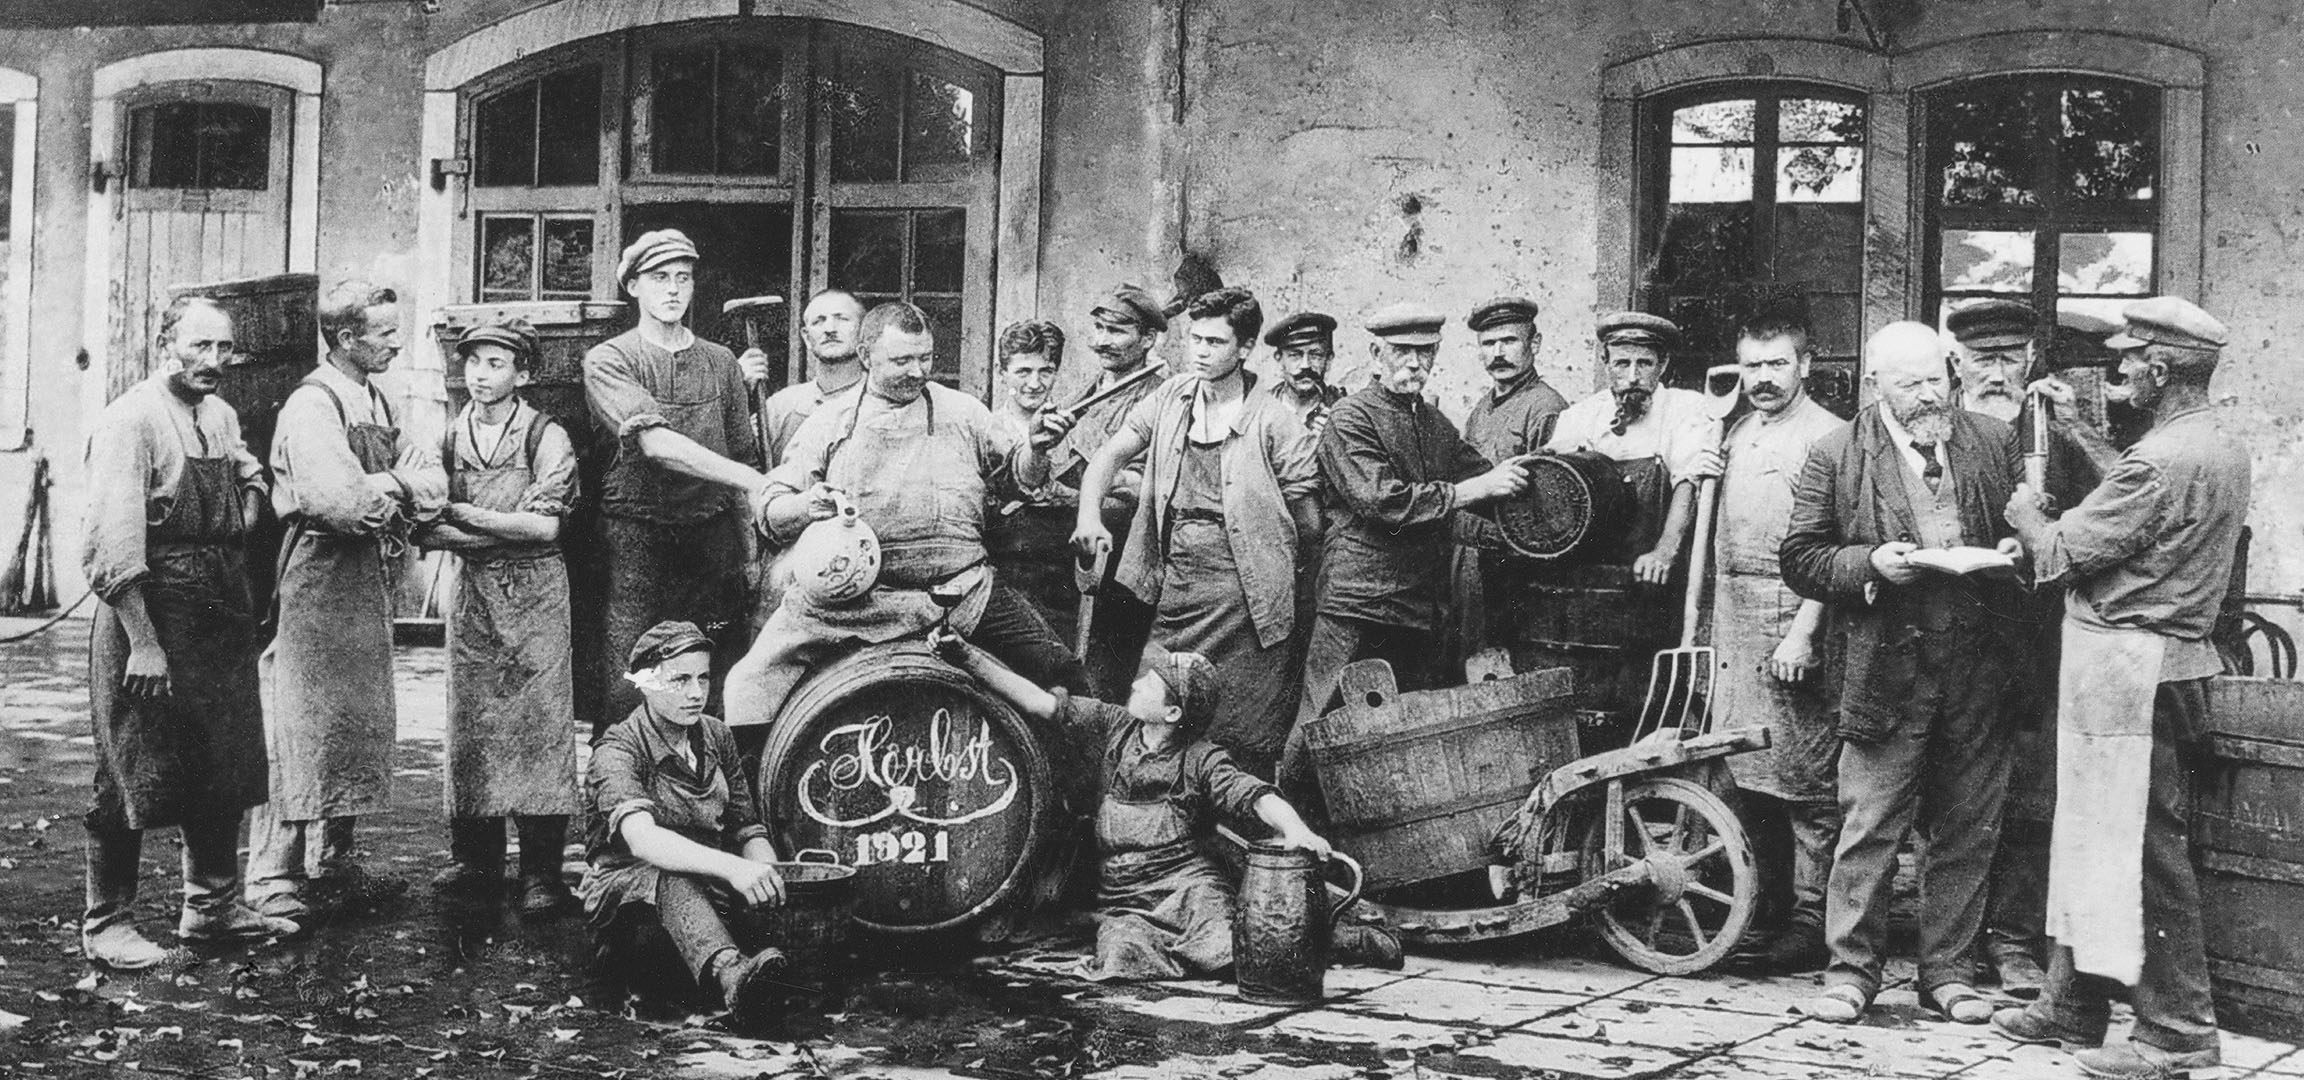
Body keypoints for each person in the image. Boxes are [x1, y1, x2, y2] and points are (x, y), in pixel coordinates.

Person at [1991, 296, 2249, 1080]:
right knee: (2092, 836)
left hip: (2131, 671)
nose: (2120, 368)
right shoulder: (2209, 441)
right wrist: (2075, 431)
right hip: (2152, 666)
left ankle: (2177, 1032)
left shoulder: (2162, 460)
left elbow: (2061, 554)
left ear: (2162, 368)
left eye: (2131, 358)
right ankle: (2072, 1004)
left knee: (2139, 852)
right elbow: (2139, 495)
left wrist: (2027, 515)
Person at [1780, 321, 2030, 1025]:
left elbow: (2022, 526)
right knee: (1871, 823)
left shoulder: (1990, 439)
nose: (1929, 396)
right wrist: (1868, 564)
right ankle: (1850, 973)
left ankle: (1947, 974)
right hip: (1884, 670)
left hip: (1979, 666)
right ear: (1874, 385)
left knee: (1967, 825)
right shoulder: (1834, 454)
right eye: (1910, 383)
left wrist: (2016, 546)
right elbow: (1800, 556)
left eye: (1937, 379)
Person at [938, 632, 1399, 979]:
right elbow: (1040, 703)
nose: (1136, 684)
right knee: (1122, 958)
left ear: (1174, 713)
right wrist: (969, 656)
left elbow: (1254, 794)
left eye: (1150, 683)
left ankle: (1342, 939)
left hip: (1187, 887)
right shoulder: (1115, 727)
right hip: (1125, 896)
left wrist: (1296, 830)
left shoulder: (1200, 759)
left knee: (1232, 948)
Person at [724, 301, 1089, 725]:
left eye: (925, 358)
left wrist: (1037, 449)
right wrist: (807, 506)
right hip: (851, 604)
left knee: (1066, 677)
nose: (917, 371)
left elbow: (1018, 480)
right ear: (866, 357)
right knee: (747, 687)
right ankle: (751, 788)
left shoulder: (964, 412)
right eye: (902, 360)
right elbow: (771, 510)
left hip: (962, 592)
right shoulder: (829, 422)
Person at [79, 297, 298, 966]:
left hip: (219, 606)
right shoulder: (131, 419)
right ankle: (107, 922)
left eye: (224, 349)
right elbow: (112, 542)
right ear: (164, 342)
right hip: (152, 610)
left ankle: (210, 908)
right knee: (132, 762)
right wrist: (143, 640)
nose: (213, 362)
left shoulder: (221, 413)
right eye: (199, 346)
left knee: (224, 759)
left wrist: (248, 509)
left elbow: (245, 468)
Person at [1277, 302, 1529, 816]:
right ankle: (1283, 834)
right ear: (1375, 354)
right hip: (1358, 601)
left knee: (1402, 736)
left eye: (1425, 352)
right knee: (1319, 723)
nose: (1414, 364)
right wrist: (1473, 489)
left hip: (1417, 608)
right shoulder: (1350, 418)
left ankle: (1385, 851)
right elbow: (1382, 500)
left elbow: (1483, 477)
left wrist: (1529, 483)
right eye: (1402, 352)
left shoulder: (1433, 422)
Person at [245, 281, 444, 922]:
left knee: (357, 721)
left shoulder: (376, 396)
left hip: (366, 579)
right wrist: (398, 489)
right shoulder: (312, 404)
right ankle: (273, 873)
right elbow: (339, 502)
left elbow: (434, 475)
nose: (396, 341)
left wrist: (389, 485)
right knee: (301, 722)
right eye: (384, 332)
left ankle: (335, 861)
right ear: (345, 339)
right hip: (316, 576)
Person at [1071, 287, 1320, 779]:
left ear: (1245, 348)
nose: (1201, 353)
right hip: (1176, 585)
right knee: (1159, 711)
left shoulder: (1275, 420)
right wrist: (1088, 515)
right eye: (1195, 340)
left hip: (1245, 599)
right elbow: (1108, 456)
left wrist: (1274, 566)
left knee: (1239, 732)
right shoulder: (1171, 397)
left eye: (1215, 342)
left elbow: (1309, 521)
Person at [1685, 311, 1846, 972]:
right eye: (1751, 365)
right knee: (1746, 771)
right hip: (1735, 616)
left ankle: (1814, 919)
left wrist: (1804, 633)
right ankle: (1764, 905)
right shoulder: (1736, 433)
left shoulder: (1831, 438)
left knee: (1806, 780)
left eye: (1777, 364)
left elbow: (1835, 550)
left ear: (1805, 366)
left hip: (1796, 623)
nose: (1763, 379)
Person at [417, 318, 582, 915]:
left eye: (496, 365)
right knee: (473, 719)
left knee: (539, 723)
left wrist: (464, 518)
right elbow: (423, 526)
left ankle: (542, 871)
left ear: (523, 374)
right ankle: (477, 861)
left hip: (538, 593)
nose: (480, 376)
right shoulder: (445, 438)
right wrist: (489, 534)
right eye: (473, 363)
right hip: (474, 596)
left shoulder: (546, 436)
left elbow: (544, 527)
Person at [583, 230, 768, 733]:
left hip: (709, 541)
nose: (672, 289)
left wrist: (749, 553)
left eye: (683, 278)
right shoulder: (609, 359)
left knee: (704, 672)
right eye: (659, 278)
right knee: (631, 674)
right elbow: (655, 444)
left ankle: (696, 794)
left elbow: (741, 456)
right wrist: (749, 477)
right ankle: (618, 798)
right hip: (635, 541)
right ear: (634, 287)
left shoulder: (721, 362)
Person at [580, 621, 793, 1019]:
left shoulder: (715, 735)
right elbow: (643, 840)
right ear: (644, 684)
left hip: (707, 884)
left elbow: (746, 826)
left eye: (703, 678)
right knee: (667, 884)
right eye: (679, 680)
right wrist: (735, 868)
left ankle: (745, 970)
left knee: (770, 916)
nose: (696, 693)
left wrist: (765, 870)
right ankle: (731, 977)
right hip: (629, 897)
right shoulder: (617, 750)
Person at [1947, 297, 2062, 998]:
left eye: (2009, 359)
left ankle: (2015, 942)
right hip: (1951, 638)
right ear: (1956, 364)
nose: (1997, 373)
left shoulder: (2053, 432)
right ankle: (1949, 945)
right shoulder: (1936, 430)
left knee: (2029, 798)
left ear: (2029, 361)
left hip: (2036, 645)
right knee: (1952, 801)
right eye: (1982, 359)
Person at [1051, 285, 1169, 698]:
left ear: (1149, 339)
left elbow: (1154, 478)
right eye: (1098, 328)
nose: (1102, 340)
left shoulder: (1159, 392)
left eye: (1116, 331)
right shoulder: (1093, 384)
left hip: (1119, 542)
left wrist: (1110, 482)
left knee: (1106, 661)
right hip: (1071, 531)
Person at [1543, 312, 1712, 583]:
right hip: (1591, 570)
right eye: (1622, 363)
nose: (1633, 377)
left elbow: (1687, 484)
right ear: (1605, 363)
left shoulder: (1685, 409)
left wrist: (1665, 551)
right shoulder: (1580, 416)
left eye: (1644, 363)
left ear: (1663, 364)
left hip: (1655, 572)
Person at [1449, 295, 1569, 671]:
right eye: (1488, 344)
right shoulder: (1482, 408)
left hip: (1513, 565)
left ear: (1534, 344)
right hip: (1471, 561)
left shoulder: (1546, 407)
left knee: (1508, 665)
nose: (1498, 353)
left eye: (1509, 341)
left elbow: (1552, 509)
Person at [758, 288, 866, 467]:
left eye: (842, 319)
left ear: (863, 331)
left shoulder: (879, 400)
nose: (830, 329)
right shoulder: (781, 407)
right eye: (819, 321)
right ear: (806, 338)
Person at [1260, 311, 1344, 434]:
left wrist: (1333, 442)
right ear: (1279, 360)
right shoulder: (1259, 411)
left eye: (1316, 355)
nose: (1306, 365)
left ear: (1328, 360)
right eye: (1295, 355)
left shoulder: (1344, 412)